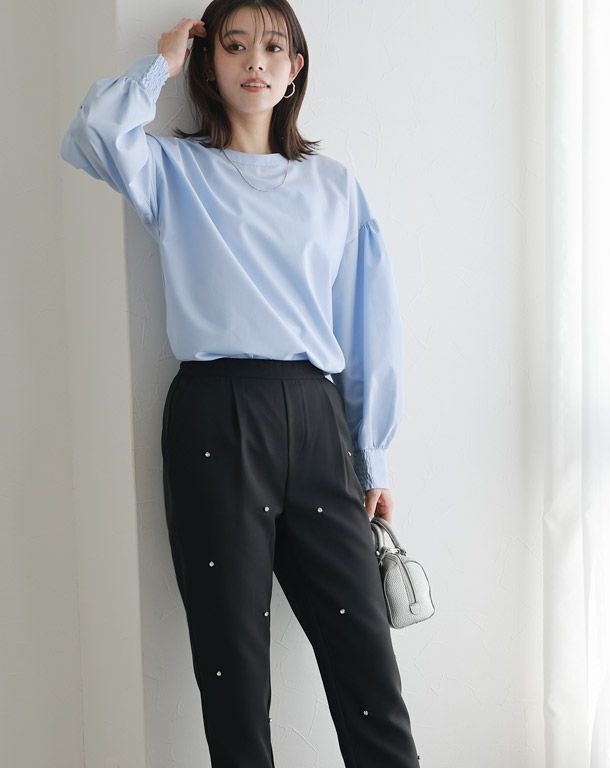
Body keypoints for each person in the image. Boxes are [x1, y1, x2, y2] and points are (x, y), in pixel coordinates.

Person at [60, 1, 419, 766]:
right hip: (215, 416)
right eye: (233, 45)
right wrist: (159, 63)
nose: (255, 60)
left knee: (367, 665)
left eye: (273, 47)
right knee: (232, 670)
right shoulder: (172, 170)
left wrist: (373, 456)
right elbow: (94, 132)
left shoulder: (333, 187)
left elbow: (367, 326)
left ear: (294, 71)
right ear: (209, 64)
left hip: (317, 418)